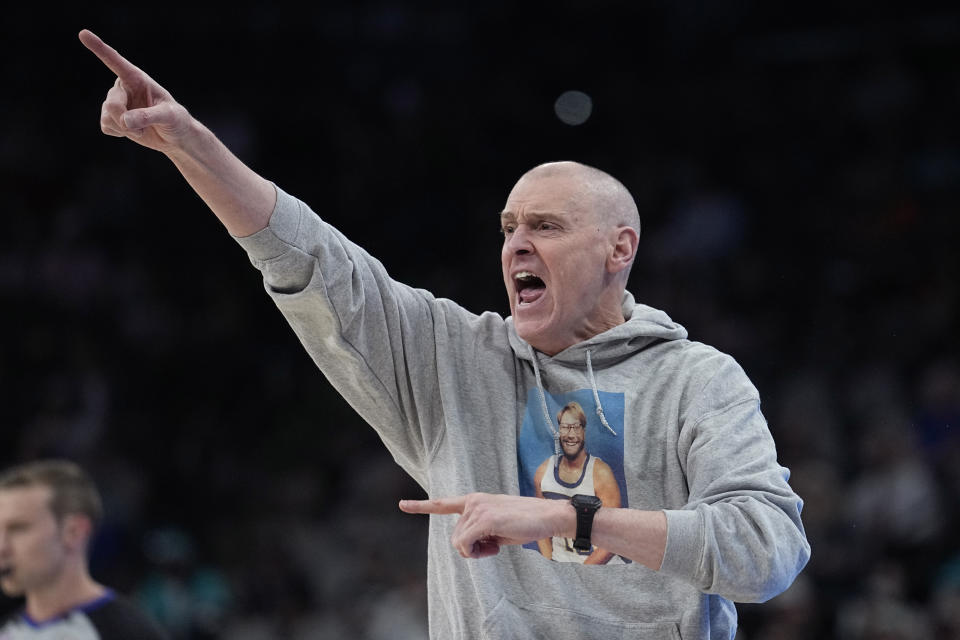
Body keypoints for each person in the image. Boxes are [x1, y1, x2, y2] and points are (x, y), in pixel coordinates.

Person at [78, 28, 810, 640]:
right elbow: (311, 259)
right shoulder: (456, 360)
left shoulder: (697, 379)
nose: (517, 244)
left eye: (546, 226)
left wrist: (570, 517)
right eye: (508, 228)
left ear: (620, 250)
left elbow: (767, 552)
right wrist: (187, 142)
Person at [0, 459, 168, 639]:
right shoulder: (7, 630)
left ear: (74, 532)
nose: (2, 547)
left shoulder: (128, 633)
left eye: (18, 528)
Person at [533, 401, 622, 564]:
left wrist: (581, 574)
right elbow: (541, 525)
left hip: (600, 570)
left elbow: (613, 539)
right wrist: (550, 566)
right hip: (561, 568)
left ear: (584, 431)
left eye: (576, 427)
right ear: (558, 430)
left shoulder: (601, 473)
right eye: (566, 427)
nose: (571, 434)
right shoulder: (544, 471)